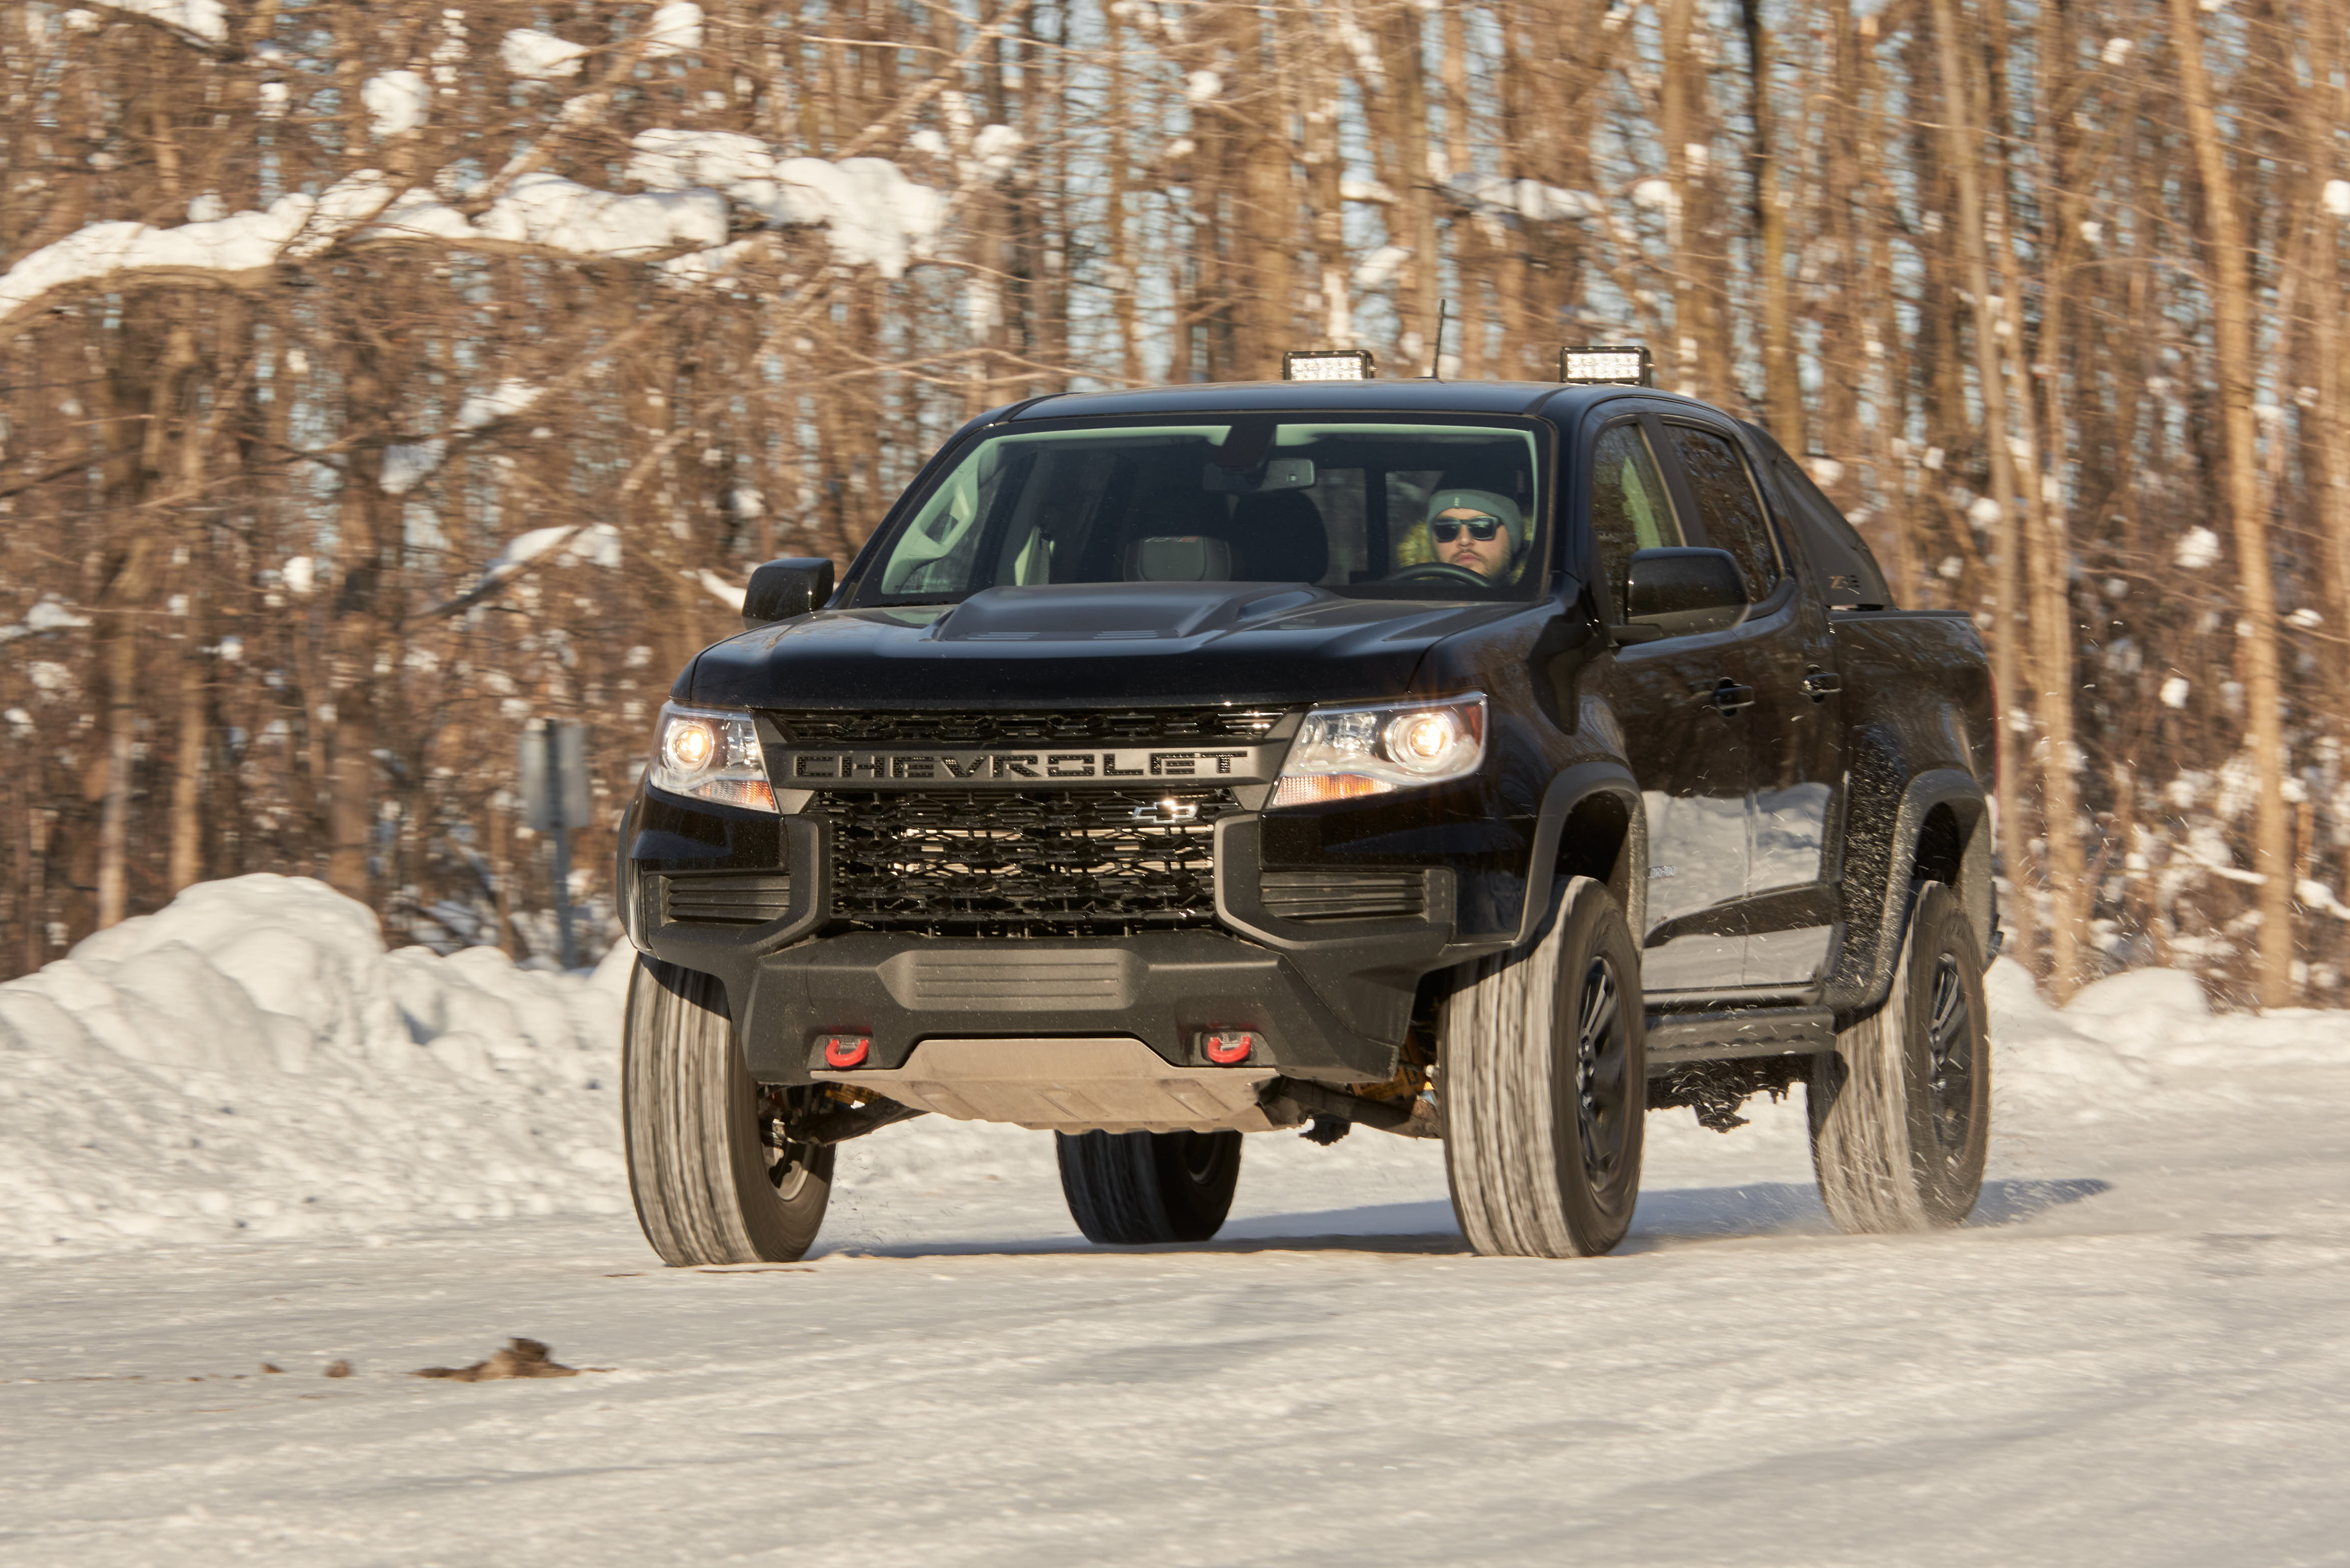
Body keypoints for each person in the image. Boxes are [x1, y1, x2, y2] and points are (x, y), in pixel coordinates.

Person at [1422, 488, 1524, 580]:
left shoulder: (1538, 598)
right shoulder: (1410, 594)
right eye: (1447, 529)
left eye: (1482, 527)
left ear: (1512, 538)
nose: (1464, 541)